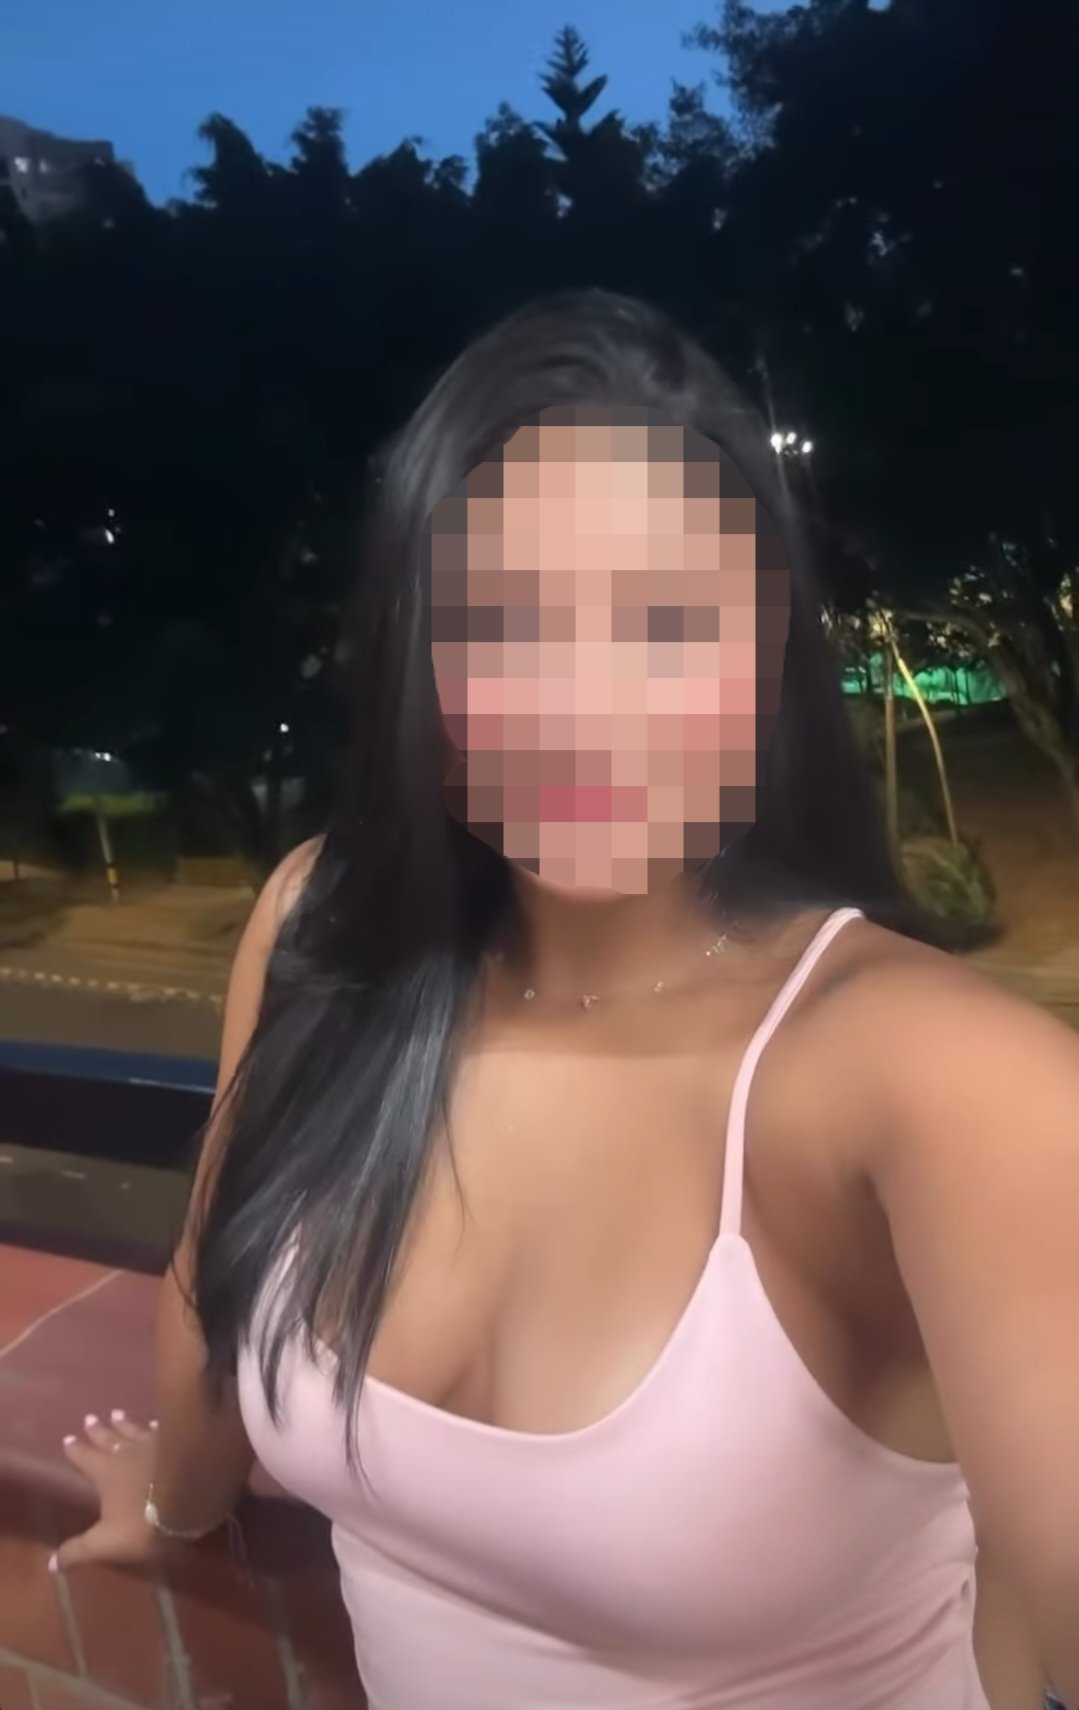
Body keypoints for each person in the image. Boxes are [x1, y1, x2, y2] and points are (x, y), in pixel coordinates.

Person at [53, 293, 1079, 1710]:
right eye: (506, 621)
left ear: (770, 657)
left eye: (667, 621)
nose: (587, 702)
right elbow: (209, 1284)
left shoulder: (939, 1078)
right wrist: (173, 1511)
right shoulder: (322, 929)